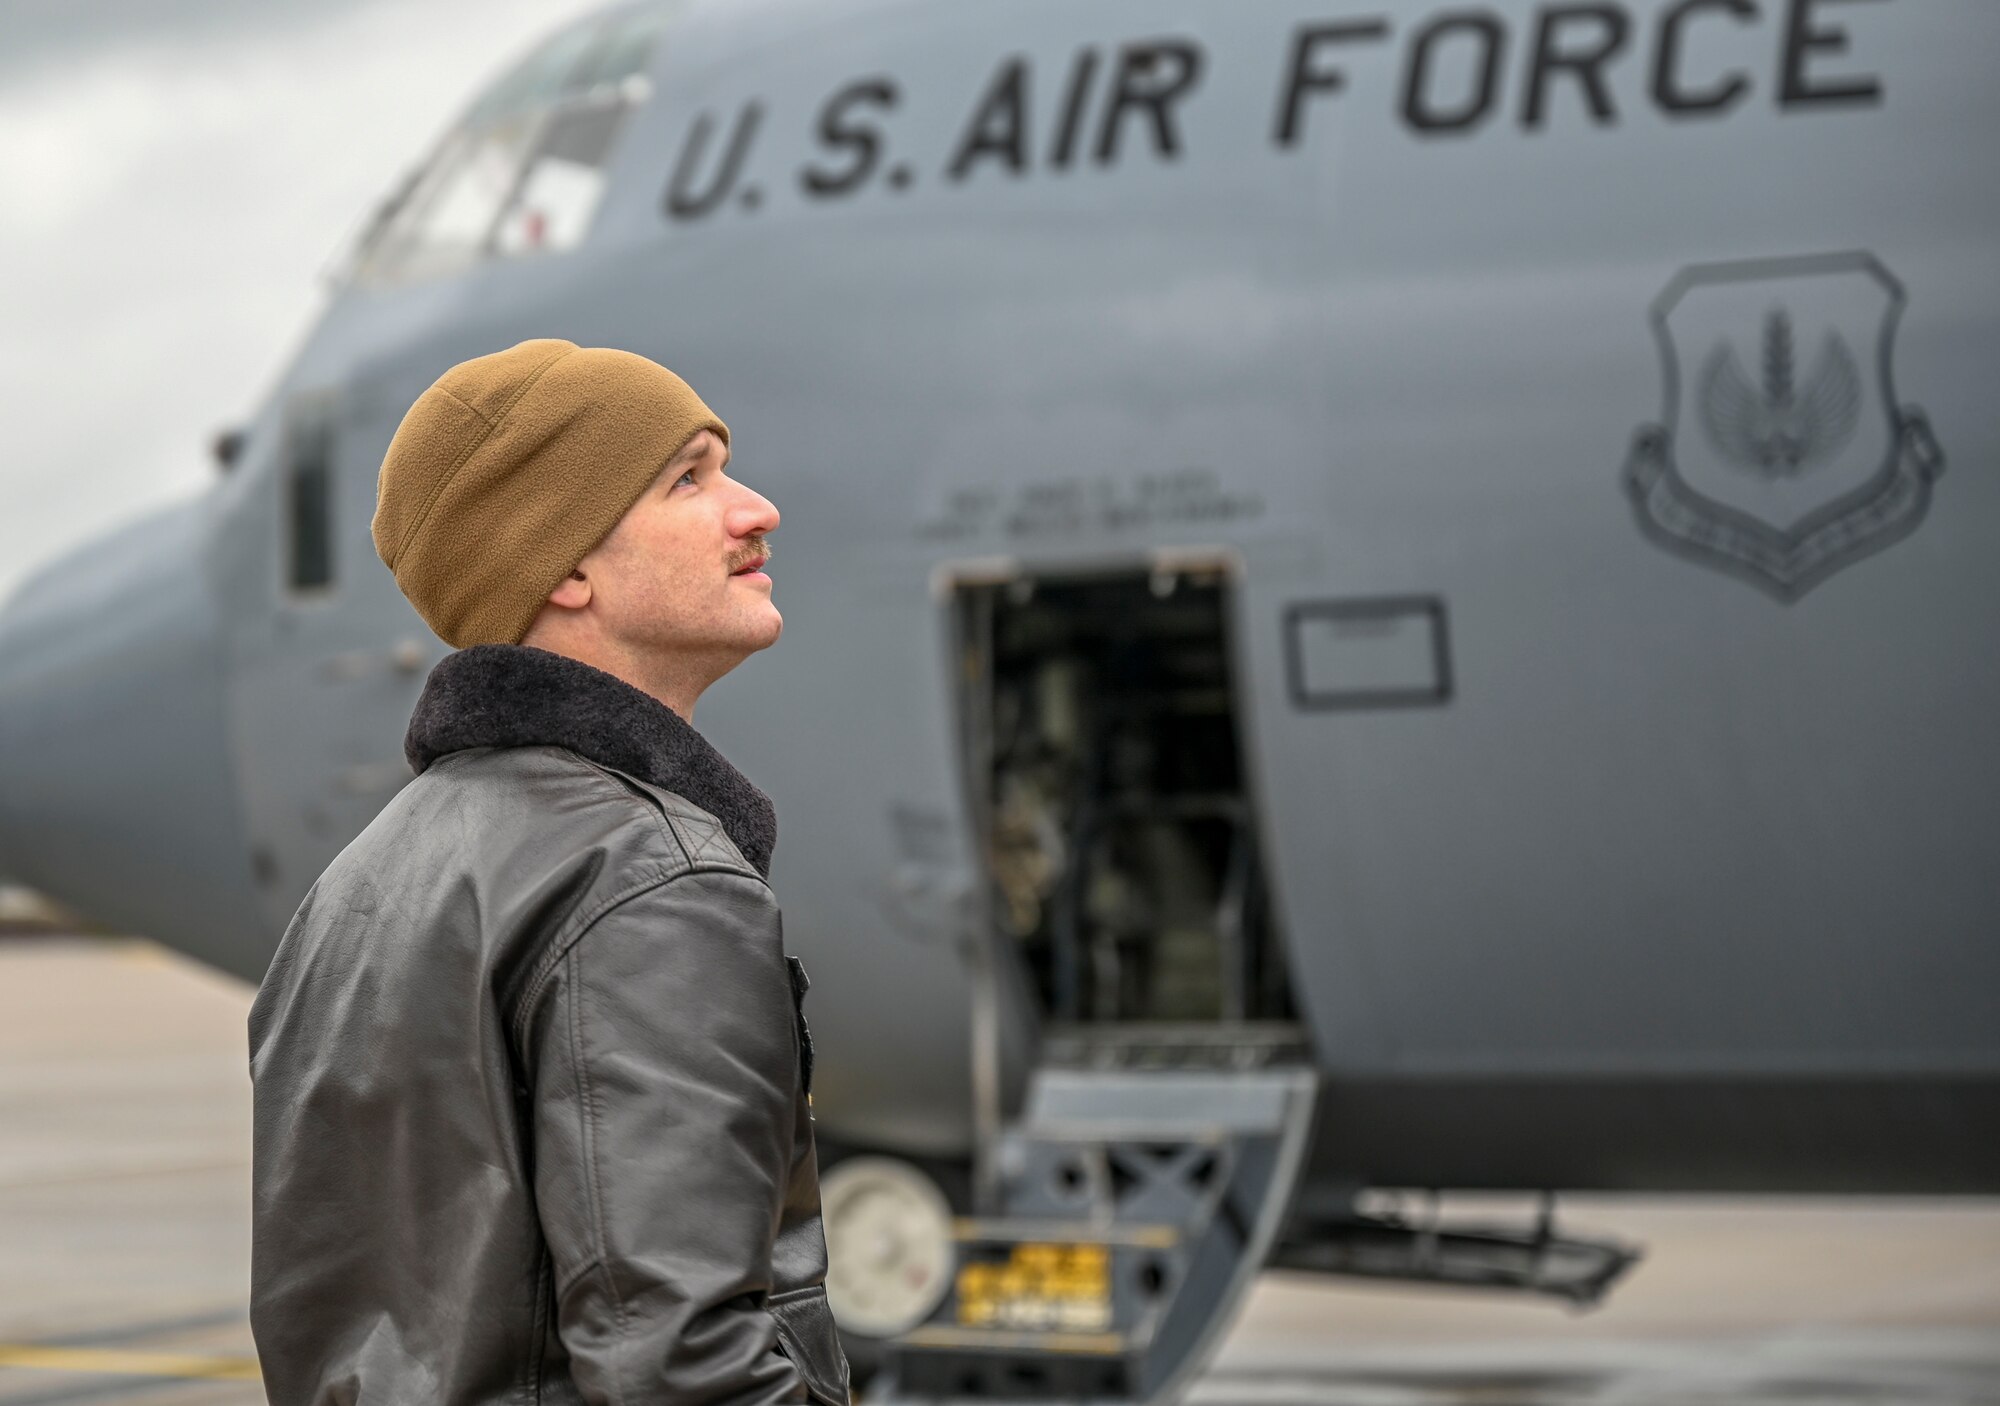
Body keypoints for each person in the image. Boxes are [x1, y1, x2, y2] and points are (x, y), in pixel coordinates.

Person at [247, 338, 850, 1406]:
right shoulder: (652, 882)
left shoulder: (353, 888)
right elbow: (682, 1369)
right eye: (690, 478)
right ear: (561, 564)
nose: (753, 509)